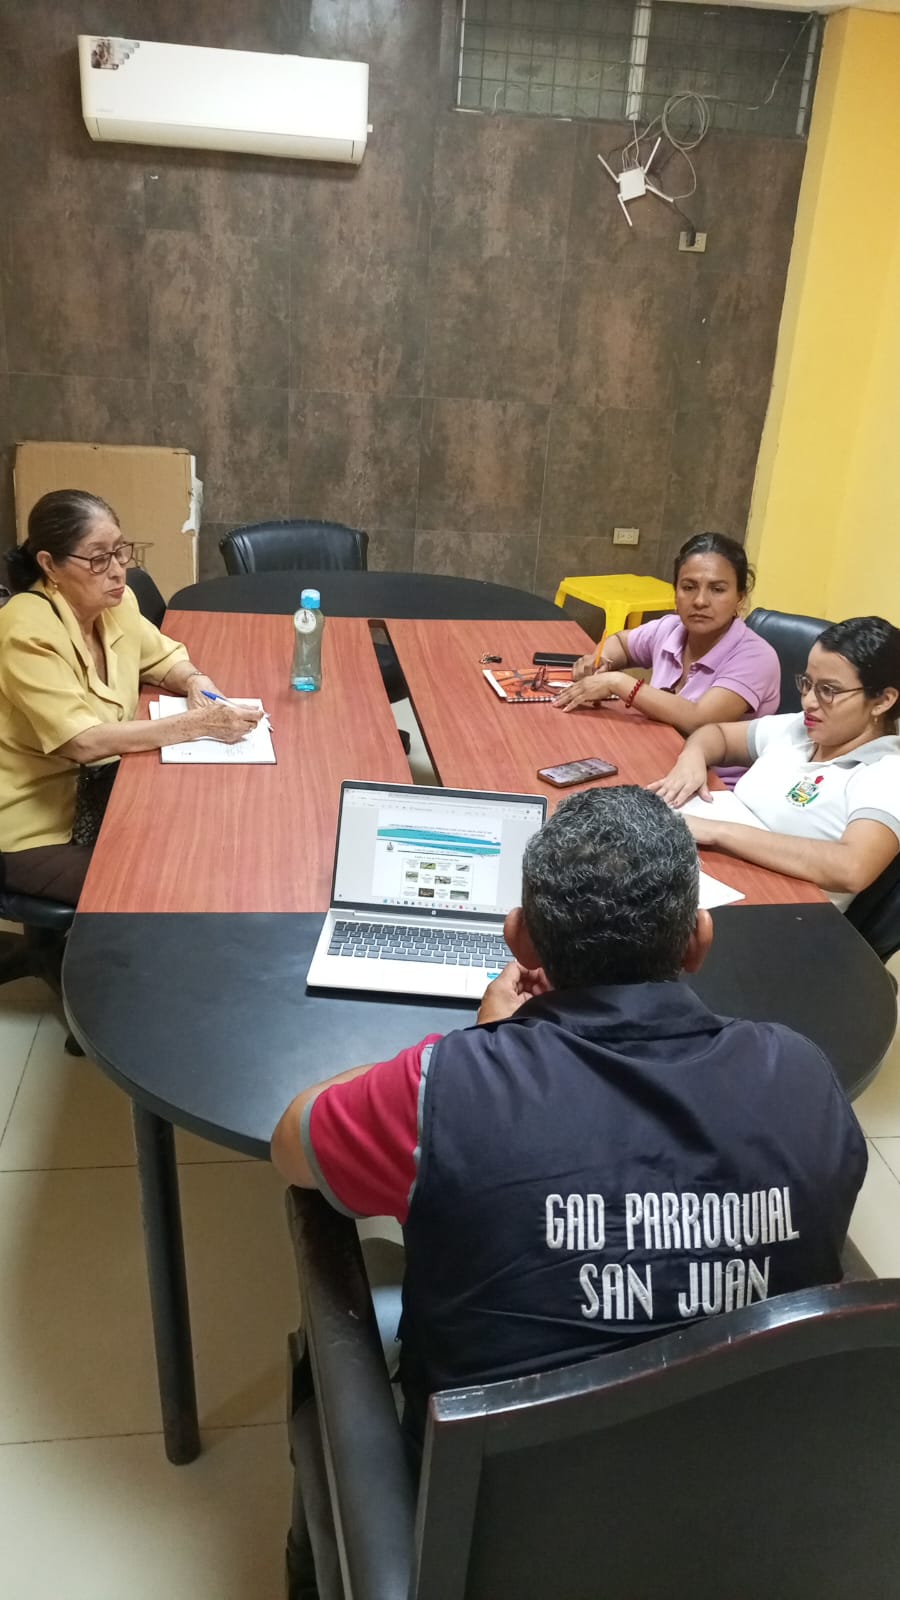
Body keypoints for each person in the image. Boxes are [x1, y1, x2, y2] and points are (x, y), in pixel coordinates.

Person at [271, 787, 866, 1450]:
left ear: (520, 938)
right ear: (698, 940)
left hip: (486, 1504)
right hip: (759, 1480)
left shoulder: (445, 1087)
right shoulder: (803, 1076)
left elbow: (292, 1142)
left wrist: (481, 1046)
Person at [0, 489, 261, 905]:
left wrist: (197, 682)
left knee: (217, 834)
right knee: (168, 887)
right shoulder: (25, 630)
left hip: (107, 788)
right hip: (38, 826)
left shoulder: (115, 604)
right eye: (98, 559)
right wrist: (195, 725)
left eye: (121, 552)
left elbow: (163, 658)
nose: (118, 571)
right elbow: (82, 741)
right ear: (50, 565)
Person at [650, 616, 900, 911]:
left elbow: (852, 867)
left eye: (828, 691)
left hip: (779, 911)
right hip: (722, 876)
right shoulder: (801, 728)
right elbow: (716, 735)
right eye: (807, 683)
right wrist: (692, 758)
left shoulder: (886, 772)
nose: (808, 702)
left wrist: (719, 831)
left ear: (882, 701)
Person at [553, 532, 780, 785]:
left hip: (712, 787)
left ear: (740, 597)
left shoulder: (756, 657)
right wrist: (600, 660)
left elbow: (699, 720)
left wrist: (618, 683)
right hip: (654, 759)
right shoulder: (670, 628)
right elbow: (621, 644)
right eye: (688, 587)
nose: (700, 601)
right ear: (675, 593)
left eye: (717, 589)